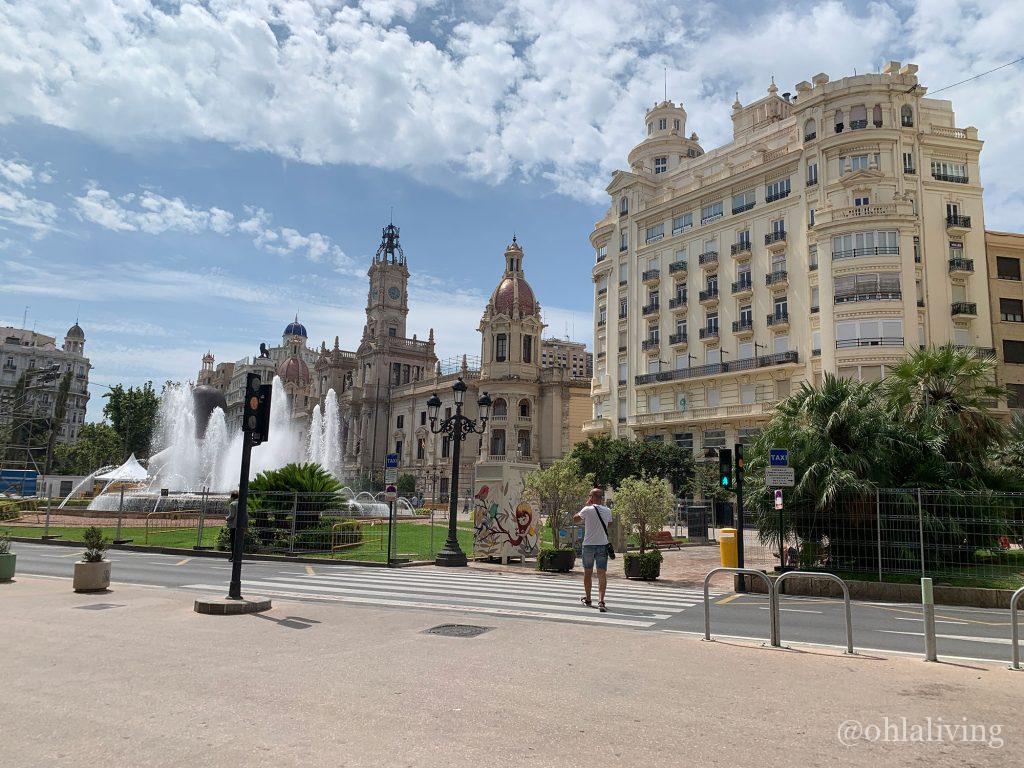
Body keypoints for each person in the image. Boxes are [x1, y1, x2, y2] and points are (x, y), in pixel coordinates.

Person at [573, 487, 613, 613]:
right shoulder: (607, 510)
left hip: (589, 545)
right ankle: (601, 601)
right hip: (602, 544)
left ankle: (589, 599)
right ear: (601, 498)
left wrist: (586, 506)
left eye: (590, 495)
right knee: (601, 573)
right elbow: (609, 524)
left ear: (592, 497)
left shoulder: (587, 509)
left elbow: (575, 519)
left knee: (588, 573)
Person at [226, 490, 239, 562]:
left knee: (233, 541)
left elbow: (232, 515)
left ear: (232, 497)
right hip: (240, 525)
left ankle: (233, 556)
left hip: (233, 525)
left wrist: (226, 518)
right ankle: (237, 556)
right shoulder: (242, 503)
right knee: (238, 542)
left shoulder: (232, 504)